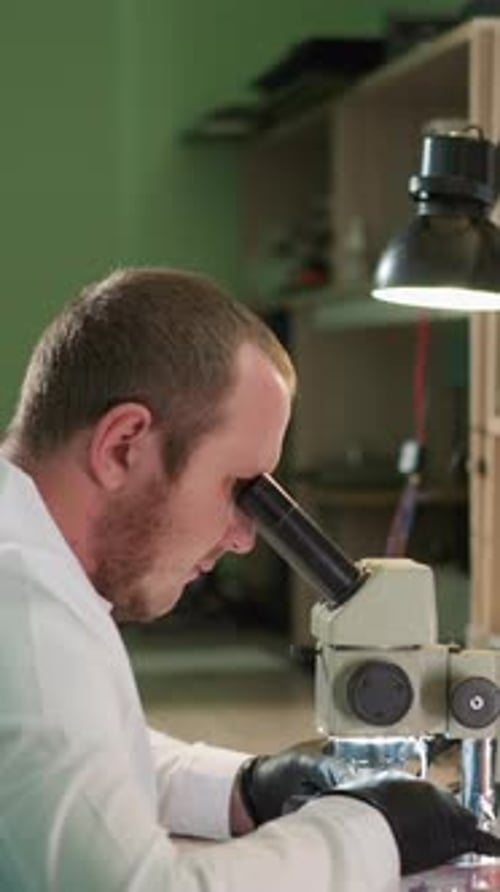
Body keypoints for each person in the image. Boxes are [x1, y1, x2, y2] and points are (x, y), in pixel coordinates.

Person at [0, 266, 497, 892]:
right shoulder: (24, 620)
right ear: (125, 444)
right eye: (240, 489)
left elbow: (64, 768)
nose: (243, 536)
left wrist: (244, 789)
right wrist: (368, 831)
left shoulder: (27, 568)